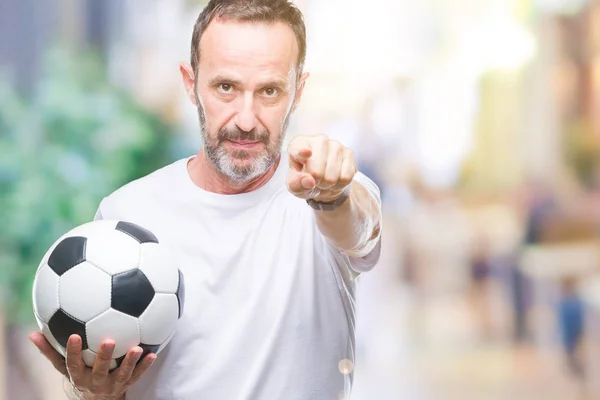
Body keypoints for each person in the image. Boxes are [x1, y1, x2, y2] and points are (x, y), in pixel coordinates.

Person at [29, 1, 383, 399]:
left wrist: (333, 197)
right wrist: (98, 393)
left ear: (297, 92)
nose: (246, 119)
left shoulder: (332, 189)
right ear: (190, 82)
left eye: (269, 91)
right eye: (226, 87)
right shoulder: (125, 214)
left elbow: (358, 230)